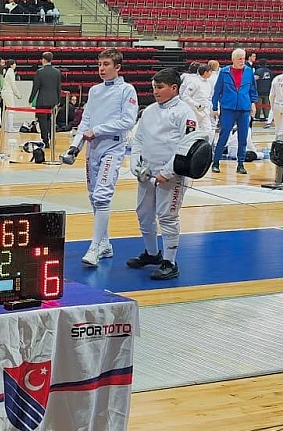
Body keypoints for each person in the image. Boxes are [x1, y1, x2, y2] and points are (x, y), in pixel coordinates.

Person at [67, 48, 140, 267]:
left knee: (102, 197)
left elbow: (128, 121)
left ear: (118, 67)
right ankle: (105, 244)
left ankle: (94, 247)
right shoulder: (95, 91)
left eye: (106, 64)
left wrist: (97, 130)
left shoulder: (127, 90)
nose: (102, 69)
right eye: (100, 64)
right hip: (93, 149)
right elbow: (86, 120)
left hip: (113, 147)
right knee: (93, 197)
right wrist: (74, 146)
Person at [127, 68, 194, 281]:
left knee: (167, 217)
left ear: (174, 88)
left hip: (171, 177)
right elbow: (138, 139)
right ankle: (152, 253)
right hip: (147, 175)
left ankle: (170, 262)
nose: (155, 91)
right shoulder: (149, 111)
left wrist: (167, 171)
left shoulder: (185, 112)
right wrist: (135, 165)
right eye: (154, 87)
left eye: (160, 87)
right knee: (144, 215)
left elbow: (188, 146)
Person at [211, 47, 257, 174]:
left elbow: (253, 89)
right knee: (223, 136)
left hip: (244, 108)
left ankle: (240, 164)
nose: (242, 61)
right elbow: (217, 91)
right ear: (233, 59)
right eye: (239, 59)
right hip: (228, 108)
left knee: (243, 137)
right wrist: (214, 107)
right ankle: (216, 162)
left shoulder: (249, 72)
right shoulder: (224, 72)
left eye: (243, 58)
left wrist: (253, 103)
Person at [29, 51, 61, 149]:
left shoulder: (40, 72)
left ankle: (45, 141)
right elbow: (58, 87)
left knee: (42, 121)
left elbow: (36, 87)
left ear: (43, 60)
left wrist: (31, 98)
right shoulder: (57, 72)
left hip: (42, 100)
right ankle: (52, 137)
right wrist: (58, 100)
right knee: (50, 120)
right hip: (53, 100)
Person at [179, 61, 215, 141]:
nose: (211, 73)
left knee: (208, 131)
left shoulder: (208, 83)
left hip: (204, 111)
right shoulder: (194, 82)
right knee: (190, 132)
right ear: (205, 72)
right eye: (210, 71)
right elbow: (185, 96)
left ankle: (206, 148)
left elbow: (208, 98)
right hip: (194, 111)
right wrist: (197, 105)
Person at [2, 59, 24, 132]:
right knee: (11, 110)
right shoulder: (10, 72)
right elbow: (13, 85)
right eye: (14, 63)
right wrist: (18, 94)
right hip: (8, 92)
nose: (15, 65)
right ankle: (10, 128)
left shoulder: (8, 71)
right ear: (11, 65)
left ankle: (7, 127)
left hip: (5, 92)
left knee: (8, 110)